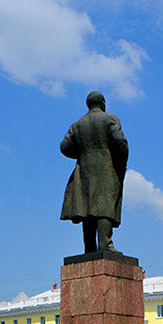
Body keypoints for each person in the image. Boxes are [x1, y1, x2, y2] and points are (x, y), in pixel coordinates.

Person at [60, 91, 129, 254]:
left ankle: (89, 247)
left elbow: (64, 147)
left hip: (83, 170)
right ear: (103, 103)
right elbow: (120, 142)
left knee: (87, 207)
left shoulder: (77, 125)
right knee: (105, 204)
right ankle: (105, 244)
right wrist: (120, 160)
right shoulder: (110, 119)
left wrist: (82, 153)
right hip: (106, 167)